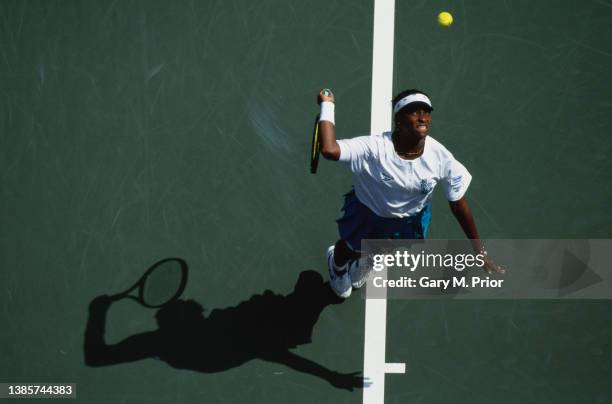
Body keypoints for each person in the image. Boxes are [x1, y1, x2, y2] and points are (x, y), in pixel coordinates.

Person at [317, 88, 505, 298]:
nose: (422, 117)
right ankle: (338, 264)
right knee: (350, 248)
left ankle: (367, 259)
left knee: (383, 249)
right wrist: (327, 105)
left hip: (409, 219)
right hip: (367, 213)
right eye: (414, 111)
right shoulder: (374, 149)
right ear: (398, 120)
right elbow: (330, 149)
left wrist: (479, 251)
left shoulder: (441, 158)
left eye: (426, 111)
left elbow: (459, 205)